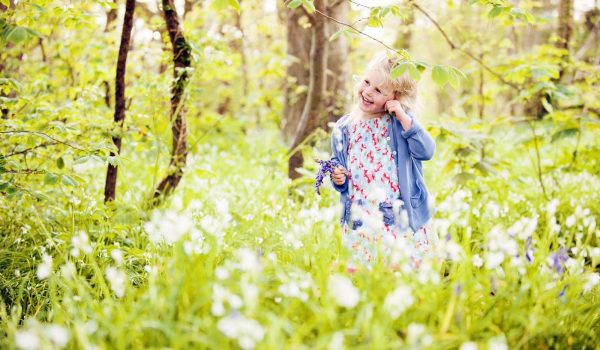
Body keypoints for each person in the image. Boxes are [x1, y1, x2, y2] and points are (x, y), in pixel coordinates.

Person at [329, 51, 436, 273]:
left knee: (399, 268)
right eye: (366, 82)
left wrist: (404, 118)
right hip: (360, 214)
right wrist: (337, 178)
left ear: (395, 98)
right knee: (363, 271)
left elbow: (426, 151)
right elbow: (338, 169)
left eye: (378, 90)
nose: (367, 91)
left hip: (396, 213)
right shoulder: (344, 127)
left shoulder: (398, 124)